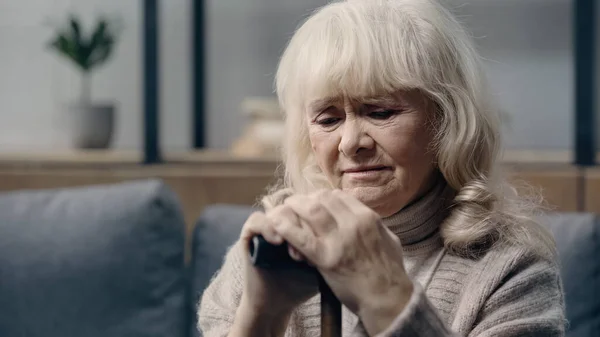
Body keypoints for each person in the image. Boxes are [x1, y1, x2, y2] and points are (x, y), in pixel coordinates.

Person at [198, 0, 566, 336]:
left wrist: (387, 299)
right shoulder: (266, 252)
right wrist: (262, 314)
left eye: (380, 112)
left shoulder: (513, 272)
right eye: (328, 119)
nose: (349, 142)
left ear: (447, 120)